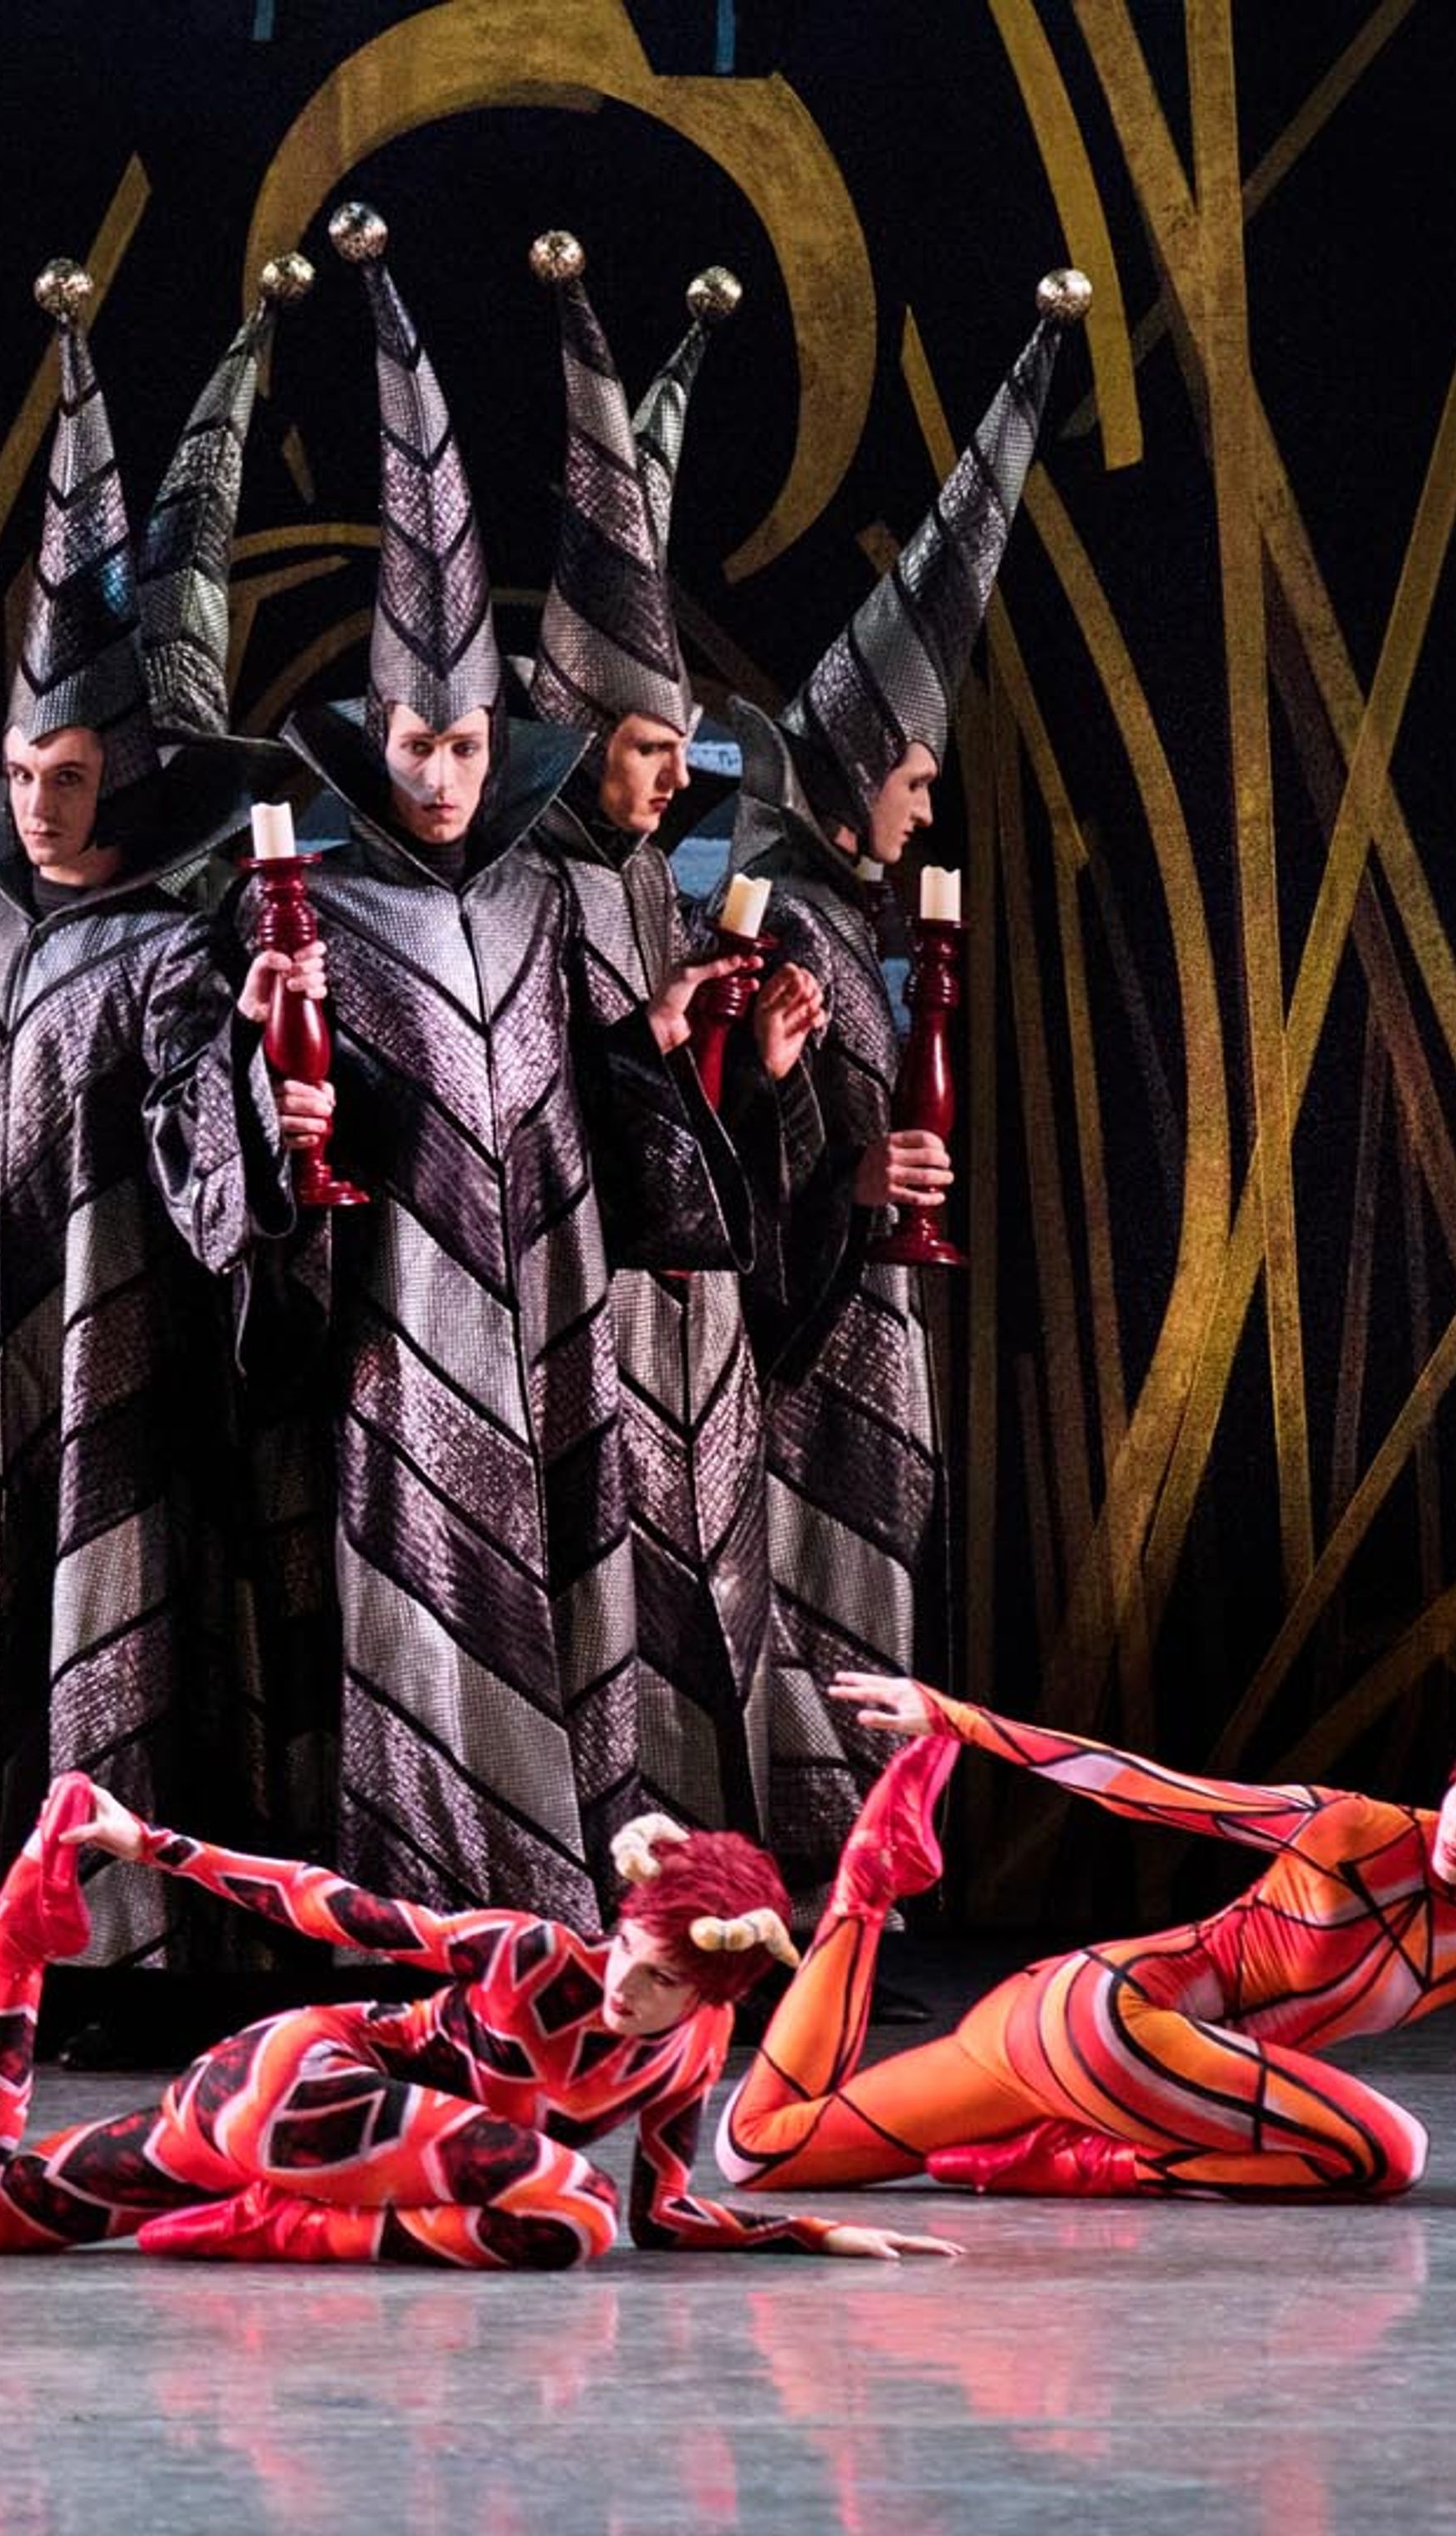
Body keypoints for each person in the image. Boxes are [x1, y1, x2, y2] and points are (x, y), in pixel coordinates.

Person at [249, 203, 753, 1929]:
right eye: (419, 743)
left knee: (560, 1568)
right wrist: (271, 1112)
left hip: (546, 1309)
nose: (448, 771)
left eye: (470, 743)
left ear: (499, 741)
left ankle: (558, 1891)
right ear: (374, 740)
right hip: (397, 1320)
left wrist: (667, 1065)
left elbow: (594, 1103)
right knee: (410, 1608)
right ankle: (413, 1904)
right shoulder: (324, 907)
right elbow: (270, 1123)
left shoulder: (549, 899)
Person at [0, 256, 311, 1976]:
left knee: (120, 1617)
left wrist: (263, 1088)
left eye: (77, 773)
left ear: (130, 774)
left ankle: (131, 1940)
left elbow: (223, 1183)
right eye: (22, 765)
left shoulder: (172, 945)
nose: (42, 801)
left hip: (122, 1351)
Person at [709, 271, 1090, 1869]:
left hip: (868, 1309)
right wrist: (844, 1177)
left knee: (865, 1593)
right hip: (791, 1326)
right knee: (796, 1592)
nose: (925, 810)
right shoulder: (764, 906)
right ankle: (791, 1883)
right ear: (864, 766)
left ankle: (853, 1885)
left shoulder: (854, 909)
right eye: (917, 777)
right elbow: (714, 1122)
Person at [718, 1671, 1456, 2204]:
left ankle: (867, 1892)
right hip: (1091, 2017)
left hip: (1135, 2074)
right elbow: (1143, 1788)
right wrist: (959, 1720)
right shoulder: (1345, 1826)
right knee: (1386, 2153)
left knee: (761, 2154)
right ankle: (1065, 2157)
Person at [0, 1773, 964, 2266]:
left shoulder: (693, 2054)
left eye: (661, 1986)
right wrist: (149, 1841)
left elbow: (668, 2215)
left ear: (716, 1997)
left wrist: (808, 2231)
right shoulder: (534, 1953)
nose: (625, 1992)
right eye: (630, 1955)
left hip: (321, 2150)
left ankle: (14, 1950)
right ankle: (277, 2228)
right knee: (571, 2205)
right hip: (293, 2087)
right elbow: (334, 1902)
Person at [514, 234, 813, 1865]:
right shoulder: (517, 890)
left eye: (667, 747)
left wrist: (748, 1071)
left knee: (718, 1594)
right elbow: (517, 1105)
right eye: (635, 749)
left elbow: (681, 1118)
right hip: (581, 1318)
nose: (660, 777)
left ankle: (728, 1879)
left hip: (693, 1319)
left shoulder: (668, 881)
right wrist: (640, 1033)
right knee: (603, 1606)